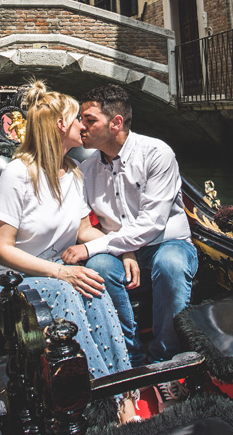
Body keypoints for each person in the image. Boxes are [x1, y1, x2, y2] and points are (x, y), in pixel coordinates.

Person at [0, 82, 134, 380]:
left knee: (93, 282)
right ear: (60, 125)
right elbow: (2, 250)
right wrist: (61, 272)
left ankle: (124, 390)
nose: (85, 125)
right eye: (78, 119)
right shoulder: (17, 174)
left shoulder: (74, 173)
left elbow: (85, 231)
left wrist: (125, 249)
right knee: (66, 289)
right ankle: (100, 395)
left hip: (48, 275)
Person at [62, 85, 198, 367]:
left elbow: (151, 224)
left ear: (116, 123)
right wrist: (125, 252)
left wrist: (92, 247)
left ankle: (165, 360)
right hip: (118, 251)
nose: (81, 127)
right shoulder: (85, 170)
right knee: (98, 268)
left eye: (89, 120)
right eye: (80, 120)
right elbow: (85, 223)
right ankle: (129, 357)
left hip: (166, 243)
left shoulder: (156, 154)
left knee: (170, 265)